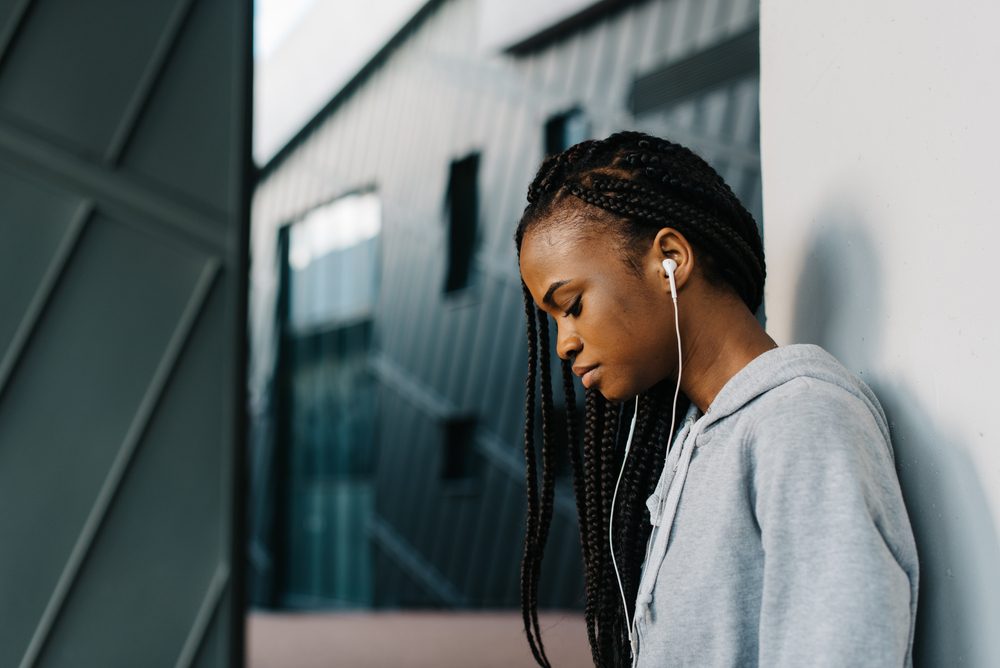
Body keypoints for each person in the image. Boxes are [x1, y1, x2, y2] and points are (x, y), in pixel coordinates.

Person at [513, 130, 919, 667]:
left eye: (572, 305)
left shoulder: (800, 422)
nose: (564, 343)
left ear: (671, 259)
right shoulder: (695, 442)